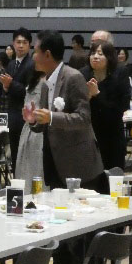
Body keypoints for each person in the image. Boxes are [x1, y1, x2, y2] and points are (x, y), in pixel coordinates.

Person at [23, 30, 105, 192]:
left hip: (78, 166)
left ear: (47, 54)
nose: (33, 57)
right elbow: (45, 124)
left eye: (36, 52)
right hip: (55, 166)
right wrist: (33, 120)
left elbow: (83, 118)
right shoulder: (46, 83)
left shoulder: (73, 77)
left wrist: (52, 117)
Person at [80, 41, 130, 171]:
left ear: (109, 58)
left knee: (112, 178)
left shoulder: (119, 75)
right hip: (89, 137)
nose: (95, 57)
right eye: (93, 53)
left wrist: (97, 94)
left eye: (100, 54)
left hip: (112, 137)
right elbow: (76, 107)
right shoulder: (82, 74)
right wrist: (88, 97)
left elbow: (121, 108)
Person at [0, 27, 34, 171]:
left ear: (29, 45)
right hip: (12, 115)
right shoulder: (11, 64)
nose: (21, 46)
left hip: (26, 117)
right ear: (13, 44)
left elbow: (30, 91)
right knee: (15, 156)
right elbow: (6, 90)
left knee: (25, 157)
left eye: (24, 42)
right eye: (18, 42)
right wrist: (6, 87)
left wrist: (11, 84)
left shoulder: (32, 64)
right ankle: (15, 181)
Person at [14, 70, 45, 194]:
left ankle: (37, 197)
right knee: (26, 169)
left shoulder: (47, 81)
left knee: (37, 170)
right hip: (30, 128)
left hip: (41, 130)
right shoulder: (34, 82)